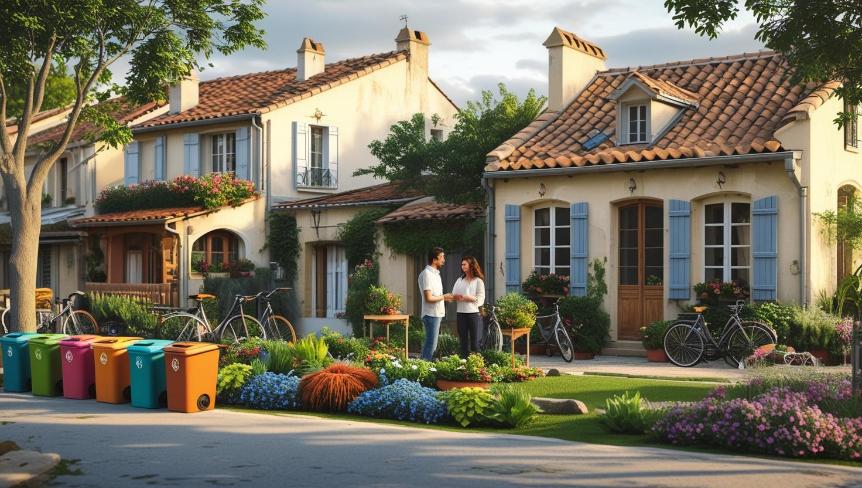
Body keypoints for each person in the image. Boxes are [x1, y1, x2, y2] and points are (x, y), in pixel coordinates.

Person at [418, 247, 452, 360]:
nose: (444, 260)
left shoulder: (436, 274)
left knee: (431, 344)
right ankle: (425, 371)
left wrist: (445, 298)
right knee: (431, 345)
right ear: (434, 260)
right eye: (441, 257)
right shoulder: (427, 274)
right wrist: (444, 297)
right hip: (431, 314)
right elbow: (428, 298)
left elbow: (435, 296)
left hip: (436, 314)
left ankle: (423, 368)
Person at [452, 256, 486, 358]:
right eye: (462, 264)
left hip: (474, 314)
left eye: (464, 264)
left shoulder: (478, 281)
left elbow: (481, 298)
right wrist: (456, 297)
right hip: (461, 313)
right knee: (463, 341)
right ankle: (463, 364)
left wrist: (469, 298)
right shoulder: (459, 280)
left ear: (471, 265)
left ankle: (477, 366)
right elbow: (453, 295)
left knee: (475, 342)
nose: (462, 266)